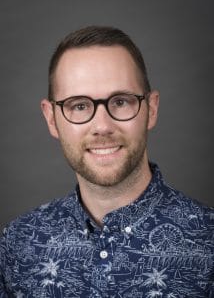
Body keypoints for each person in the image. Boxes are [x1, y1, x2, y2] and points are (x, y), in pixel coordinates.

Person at [0, 26, 213, 298]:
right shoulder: (18, 242)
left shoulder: (208, 242)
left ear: (152, 109)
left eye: (121, 101)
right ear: (51, 118)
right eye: (79, 105)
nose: (102, 126)